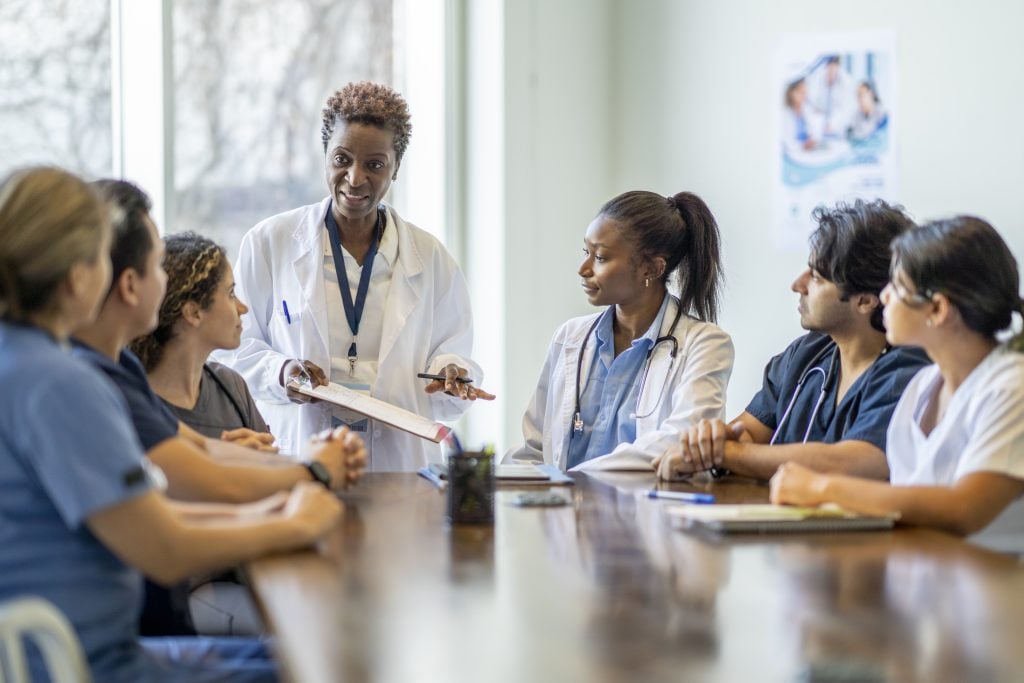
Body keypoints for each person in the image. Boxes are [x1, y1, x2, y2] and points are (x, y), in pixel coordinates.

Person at [0, 165, 344, 682]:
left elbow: (150, 514)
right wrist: (293, 522)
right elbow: (163, 548)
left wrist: (272, 510)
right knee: (321, 666)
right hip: (89, 665)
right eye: (103, 257)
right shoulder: (60, 383)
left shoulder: (24, 360)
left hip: (80, 650)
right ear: (77, 277)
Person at [223, 81, 492, 469]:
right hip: (302, 452)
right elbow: (233, 349)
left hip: (399, 463)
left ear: (396, 168)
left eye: (375, 164)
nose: (354, 178)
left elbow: (451, 351)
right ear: (325, 158)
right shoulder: (270, 243)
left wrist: (452, 372)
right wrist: (281, 371)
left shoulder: (431, 258)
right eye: (342, 159)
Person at [771, 217, 1024, 554]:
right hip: (928, 585)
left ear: (936, 309)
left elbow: (964, 509)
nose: (884, 295)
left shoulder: (1011, 387)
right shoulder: (922, 387)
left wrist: (822, 487)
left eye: (898, 287)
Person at [655, 199, 930, 482]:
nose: (798, 285)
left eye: (817, 277)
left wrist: (726, 454)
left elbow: (861, 461)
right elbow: (748, 432)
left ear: (865, 300)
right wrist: (711, 442)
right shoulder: (808, 352)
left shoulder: (908, 368)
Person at [506, 190, 734, 471]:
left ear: (651, 268)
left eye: (600, 257)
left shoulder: (705, 345)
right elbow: (536, 449)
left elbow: (682, 442)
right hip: (564, 511)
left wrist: (570, 479)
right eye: (585, 252)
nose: (583, 269)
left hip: (646, 511)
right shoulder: (569, 338)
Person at [131, 231, 273, 449]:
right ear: (194, 313)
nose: (243, 308)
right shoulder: (134, 402)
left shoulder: (231, 386)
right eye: (231, 293)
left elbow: (274, 469)